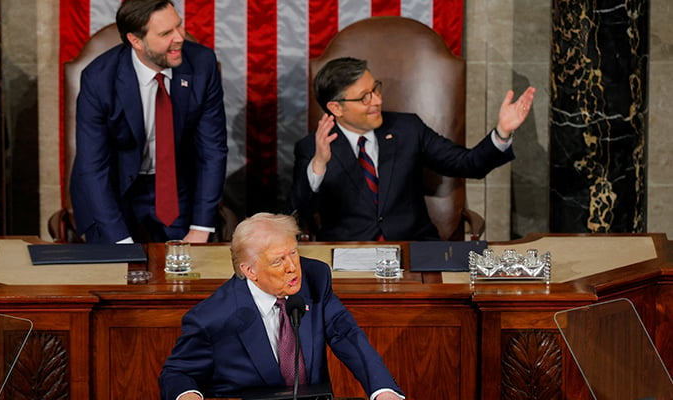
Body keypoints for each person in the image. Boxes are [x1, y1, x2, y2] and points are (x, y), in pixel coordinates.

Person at [159, 213, 404, 400]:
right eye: (278, 260)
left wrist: (383, 390)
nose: (292, 267)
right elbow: (177, 373)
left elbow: (347, 335)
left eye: (293, 253)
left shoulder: (315, 279)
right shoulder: (212, 316)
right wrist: (188, 396)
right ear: (249, 270)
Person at [288, 57, 536, 241]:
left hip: (414, 248)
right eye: (365, 97)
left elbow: (467, 163)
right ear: (336, 108)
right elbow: (297, 214)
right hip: (348, 256)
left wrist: (502, 131)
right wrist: (319, 165)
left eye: (376, 89)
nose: (377, 100)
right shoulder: (312, 148)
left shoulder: (408, 128)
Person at [70, 0, 227, 244]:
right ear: (136, 41)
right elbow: (93, 166)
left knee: (189, 272)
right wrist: (120, 242)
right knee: (116, 274)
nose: (179, 38)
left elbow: (212, 150)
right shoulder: (98, 80)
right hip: (113, 189)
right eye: (166, 33)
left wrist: (200, 227)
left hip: (176, 186)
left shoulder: (202, 65)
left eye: (179, 26)